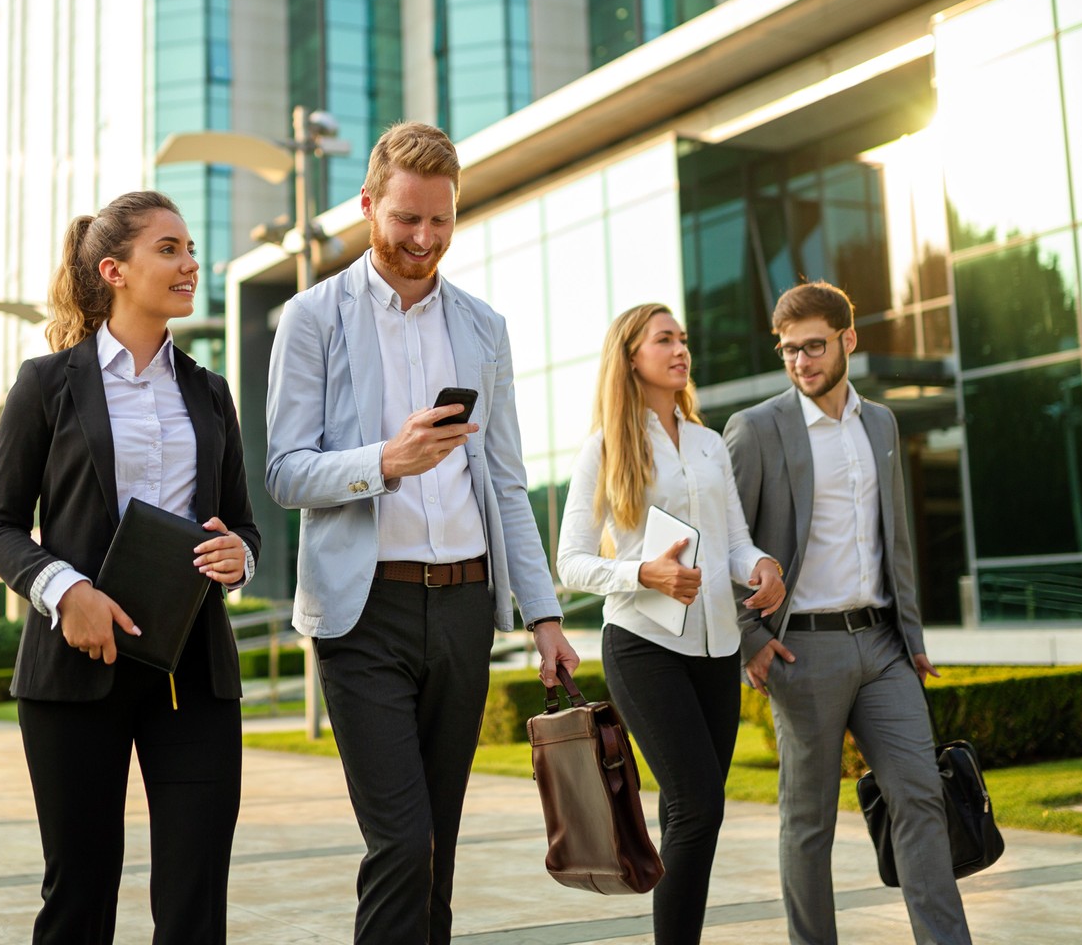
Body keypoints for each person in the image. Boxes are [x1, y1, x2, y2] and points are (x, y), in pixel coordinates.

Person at [265, 121, 578, 945]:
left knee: (438, 847)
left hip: (466, 606)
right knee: (401, 843)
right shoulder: (311, 318)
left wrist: (544, 617)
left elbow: (506, 482)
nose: (424, 239)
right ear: (368, 205)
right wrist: (387, 460)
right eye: (407, 218)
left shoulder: (483, 326)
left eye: (440, 220)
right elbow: (285, 471)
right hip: (365, 613)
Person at [0, 190, 259, 945]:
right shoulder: (47, 384)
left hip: (190, 672)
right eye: (169, 249)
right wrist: (66, 592)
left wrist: (242, 557)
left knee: (196, 903)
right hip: (75, 668)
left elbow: (245, 525)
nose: (190, 263)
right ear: (115, 270)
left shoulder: (210, 392)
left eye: (191, 248)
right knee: (80, 895)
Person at [727, 282, 972, 945]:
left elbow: (896, 540)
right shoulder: (757, 430)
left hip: (883, 645)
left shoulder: (881, 423)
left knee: (920, 797)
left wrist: (913, 634)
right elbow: (724, 540)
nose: (801, 361)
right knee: (810, 823)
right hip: (804, 652)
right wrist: (750, 637)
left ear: (848, 341)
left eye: (813, 346)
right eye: (788, 351)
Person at [555, 304, 788, 943]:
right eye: (664, 339)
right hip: (644, 644)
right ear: (632, 356)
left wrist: (762, 565)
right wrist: (641, 574)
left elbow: (734, 542)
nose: (680, 349)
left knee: (696, 814)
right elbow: (569, 560)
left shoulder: (709, 443)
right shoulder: (605, 445)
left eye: (683, 338)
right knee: (697, 804)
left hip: (717, 648)